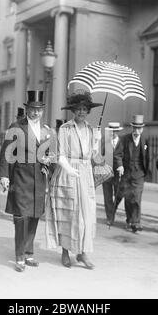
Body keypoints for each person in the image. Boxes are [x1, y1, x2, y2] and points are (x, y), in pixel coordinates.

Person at [0, 90, 54, 272]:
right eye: (32, 109)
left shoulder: (47, 131)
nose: (36, 113)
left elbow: (51, 155)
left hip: (39, 180)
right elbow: (6, 153)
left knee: (35, 216)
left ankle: (29, 253)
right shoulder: (16, 127)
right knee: (21, 217)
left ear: (43, 110)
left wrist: (48, 161)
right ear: (27, 109)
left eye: (39, 110)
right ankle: (19, 256)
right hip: (21, 178)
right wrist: (4, 175)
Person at [46, 91, 102, 270]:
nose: (82, 112)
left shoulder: (91, 129)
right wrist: (69, 169)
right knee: (68, 213)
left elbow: (93, 155)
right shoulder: (65, 129)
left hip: (85, 175)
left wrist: (97, 143)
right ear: (73, 110)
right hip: (67, 173)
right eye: (78, 109)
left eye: (85, 109)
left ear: (88, 111)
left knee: (86, 214)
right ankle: (65, 251)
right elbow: (59, 154)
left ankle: (82, 253)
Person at [113, 115, 150, 232]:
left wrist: (145, 171)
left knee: (136, 197)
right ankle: (129, 220)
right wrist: (120, 165)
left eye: (139, 128)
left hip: (139, 174)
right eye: (134, 128)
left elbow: (147, 157)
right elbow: (117, 154)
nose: (136, 131)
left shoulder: (145, 140)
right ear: (132, 127)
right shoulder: (124, 139)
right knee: (128, 198)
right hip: (127, 173)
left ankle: (136, 222)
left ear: (142, 129)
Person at [101, 122, 123, 226]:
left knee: (119, 194)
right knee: (107, 197)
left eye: (115, 131)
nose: (113, 133)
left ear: (118, 131)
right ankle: (110, 217)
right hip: (106, 173)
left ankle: (113, 211)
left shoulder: (123, 142)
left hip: (119, 174)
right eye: (111, 131)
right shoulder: (105, 142)